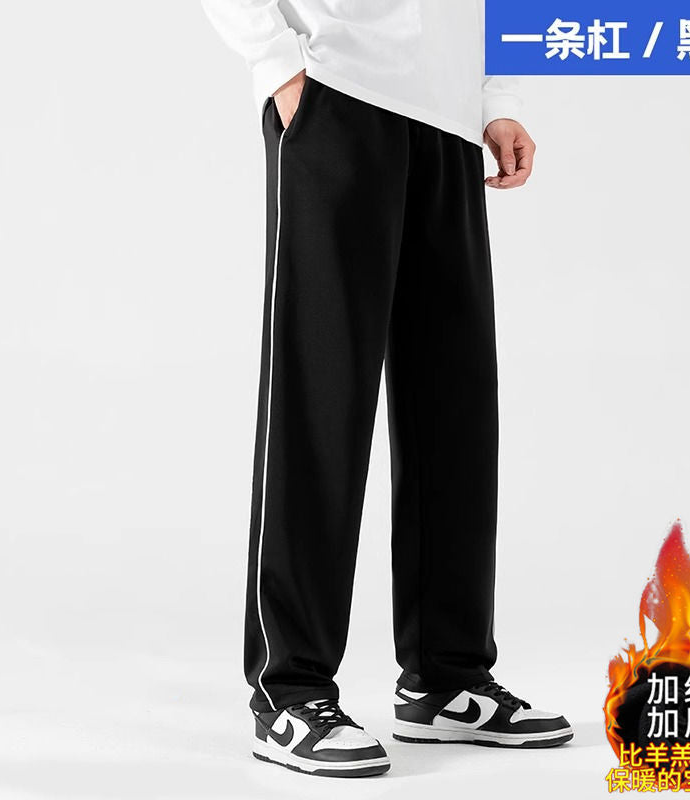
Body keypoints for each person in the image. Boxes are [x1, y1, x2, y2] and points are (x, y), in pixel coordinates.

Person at [201, 0, 572, 777]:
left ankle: (447, 676)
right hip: (338, 91)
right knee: (321, 397)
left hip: (449, 116)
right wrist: (278, 65)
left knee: (454, 405)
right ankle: (289, 688)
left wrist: (497, 98)